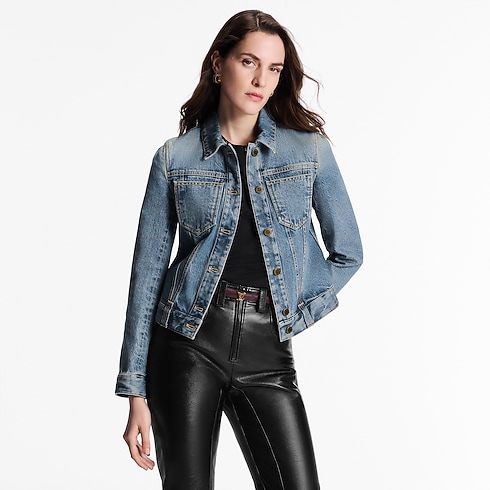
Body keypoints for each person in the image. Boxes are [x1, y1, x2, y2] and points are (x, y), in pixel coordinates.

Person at [115, 9, 363, 489]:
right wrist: (135, 391)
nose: (261, 79)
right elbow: (147, 277)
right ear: (218, 63)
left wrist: (296, 307)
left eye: (273, 68)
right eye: (249, 61)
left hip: (268, 351)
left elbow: (348, 252)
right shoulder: (175, 158)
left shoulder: (309, 151)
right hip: (187, 344)